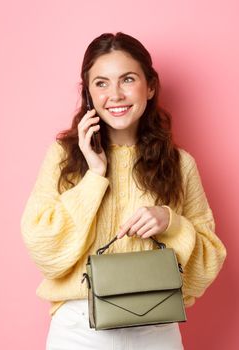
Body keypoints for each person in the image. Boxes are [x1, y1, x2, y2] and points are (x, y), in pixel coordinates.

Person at [20, 32, 227, 350]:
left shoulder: (179, 164)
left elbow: (206, 266)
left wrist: (170, 223)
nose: (114, 94)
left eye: (127, 79)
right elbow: (46, 253)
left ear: (151, 86)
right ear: (88, 92)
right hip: (79, 328)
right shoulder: (64, 157)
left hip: (156, 327)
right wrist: (95, 176)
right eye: (101, 83)